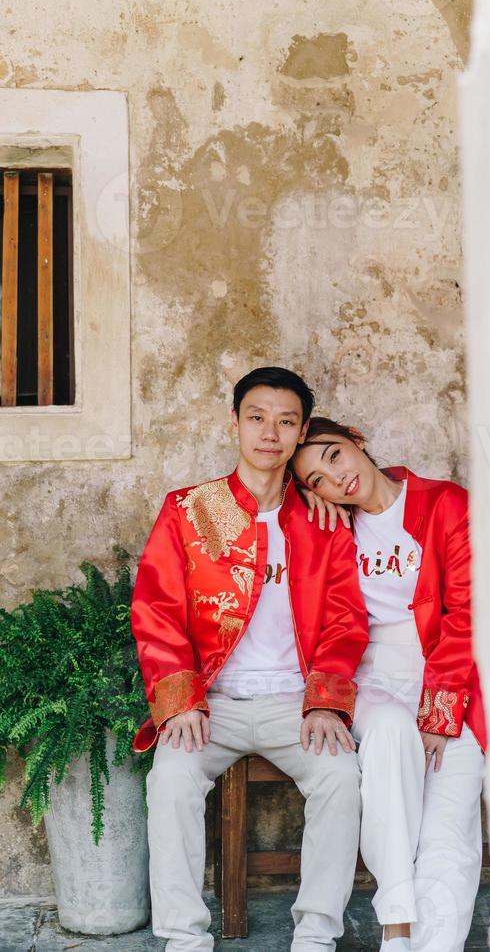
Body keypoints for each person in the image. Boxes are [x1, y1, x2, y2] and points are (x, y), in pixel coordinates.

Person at [131, 370, 369, 952]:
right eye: (257, 417)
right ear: (234, 422)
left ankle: (315, 935)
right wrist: (180, 697)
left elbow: (345, 619)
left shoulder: (323, 519)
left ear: (302, 430)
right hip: (212, 703)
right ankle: (185, 938)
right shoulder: (189, 510)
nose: (271, 432)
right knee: (170, 780)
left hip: (296, 703)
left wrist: (327, 704)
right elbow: (157, 606)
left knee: (341, 778)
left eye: (286, 421)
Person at [291, 418, 487, 952]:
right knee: (390, 752)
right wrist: (307, 509)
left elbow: (468, 613)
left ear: (356, 441)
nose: (335, 478)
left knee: (449, 827)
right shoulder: (331, 528)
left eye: (333, 456)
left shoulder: (445, 504)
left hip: (448, 674)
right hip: (369, 677)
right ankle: (396, 928)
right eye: (316, 480)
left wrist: (441, 713)